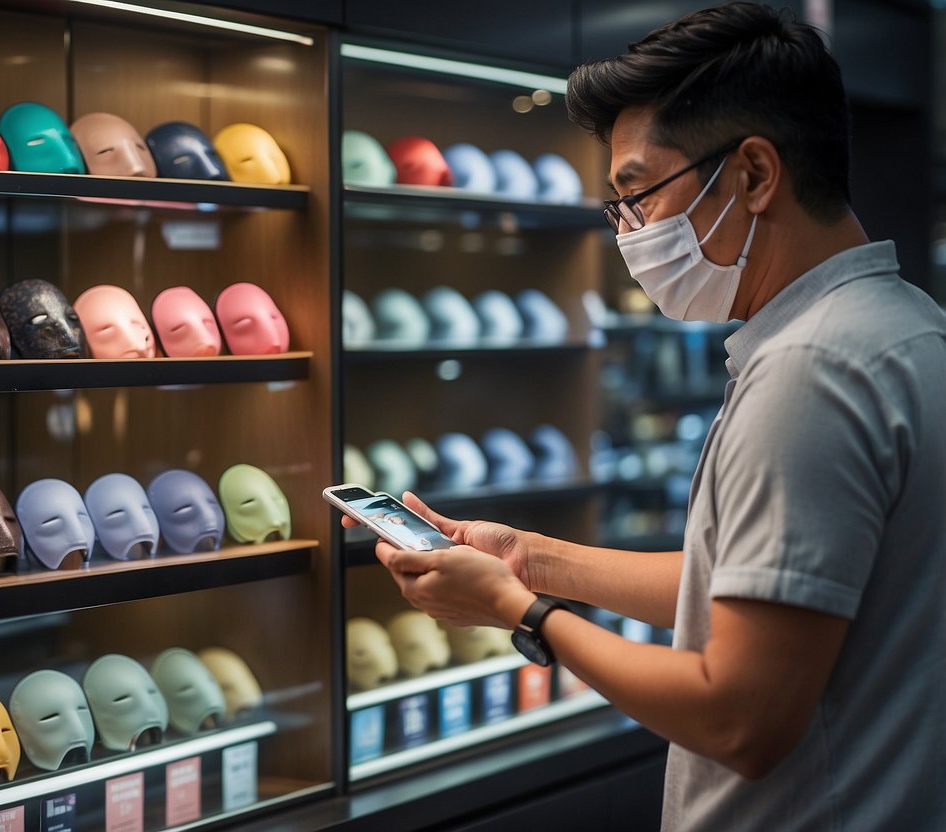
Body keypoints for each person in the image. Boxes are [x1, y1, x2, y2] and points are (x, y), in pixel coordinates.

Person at [351, 4, 946, 829]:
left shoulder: (812, 374)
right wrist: (530, 558)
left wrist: (517, 613)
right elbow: (746, 589)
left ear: (751, 175)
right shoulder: (902, 323)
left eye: (637, 192)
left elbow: (736, 718)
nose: (628, 232)